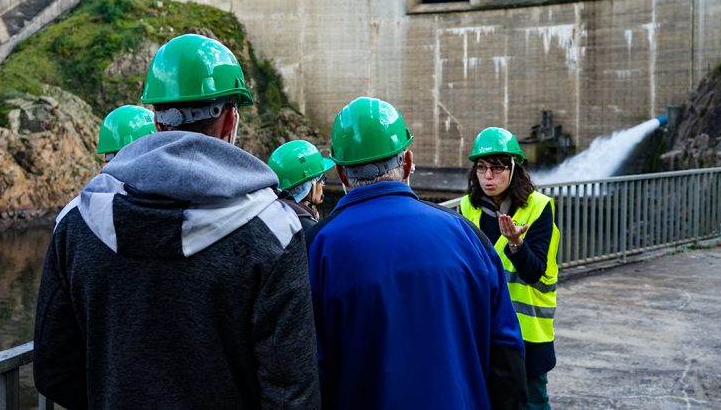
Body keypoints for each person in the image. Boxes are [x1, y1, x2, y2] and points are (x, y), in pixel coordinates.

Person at [33, 34, 320, 409]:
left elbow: (54, 371)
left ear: (156, 119)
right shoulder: (274, 232)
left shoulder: (77, 221)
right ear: (231, 119)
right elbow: (292, 393)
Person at [307, 96, 527, 410]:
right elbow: (506, 354)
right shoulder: (469, 237)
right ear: (408, 162)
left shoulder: (317, 248)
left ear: (341, 175)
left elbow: (305, 368)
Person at [459, 127, 560, 410]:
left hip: (527, 332)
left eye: (497, 168)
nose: (488, 177)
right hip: (484, 329)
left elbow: (534, 271)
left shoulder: (538, 208)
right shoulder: (468, 208)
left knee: (532, 402)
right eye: (481, 168)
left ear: (514, 169)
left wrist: (516, 243)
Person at [268, 139, 334, 241]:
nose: (323, 185)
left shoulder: (269, 213)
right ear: (309, 184)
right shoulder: (310, 230)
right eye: (321, 180)